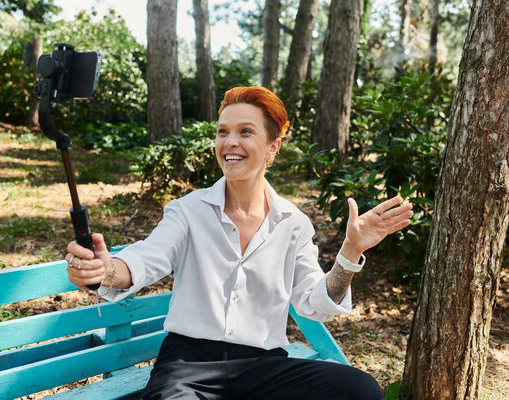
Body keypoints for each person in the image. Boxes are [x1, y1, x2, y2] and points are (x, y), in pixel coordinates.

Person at [65, 86, 413, 400]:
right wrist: (105, 269)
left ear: (272, 147)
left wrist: (351, 251)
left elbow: (314, 305)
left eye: (246, 132)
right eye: (223, 132)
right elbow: (146, 258)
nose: (230, 142)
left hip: (263, 367)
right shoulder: (188, 211)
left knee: (359, 389)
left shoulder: (294, 224)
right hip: (188, 366)